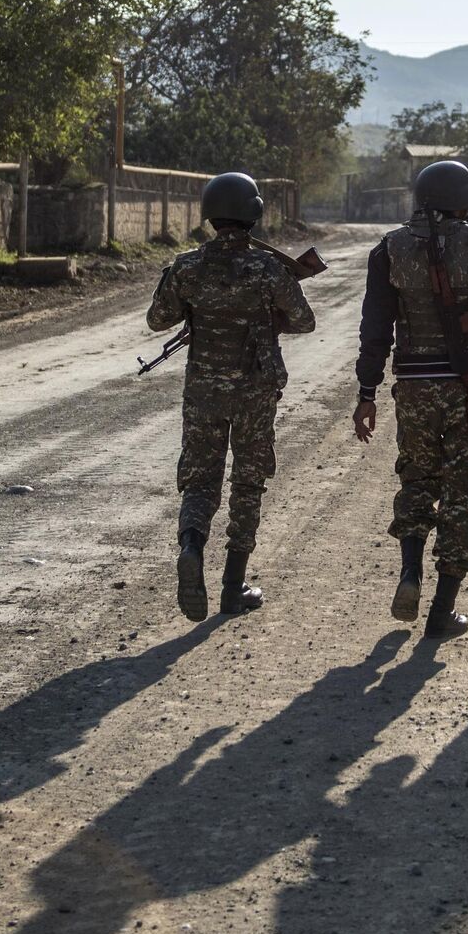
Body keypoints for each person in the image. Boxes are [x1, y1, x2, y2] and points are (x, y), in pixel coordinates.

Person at [354, 160, 468, 640]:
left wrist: (366, 393)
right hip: (467, 385)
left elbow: (375, 329)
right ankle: (442, 610)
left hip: (412, 386)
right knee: (464, 491)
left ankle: (410, 572)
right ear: (463, 201)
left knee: (416, 478)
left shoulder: (388, 248)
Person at [147, 171, 315, 621]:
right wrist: (265, 317)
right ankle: (233, 584)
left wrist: (195, 306)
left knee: (201, 480)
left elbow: (157, 319)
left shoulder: (187, 266)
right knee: (248, 481)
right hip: (255, 392)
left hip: (203, 391)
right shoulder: (268, 268)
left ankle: (191, 545)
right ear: (254, 213)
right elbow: (304, 321)